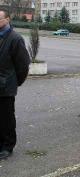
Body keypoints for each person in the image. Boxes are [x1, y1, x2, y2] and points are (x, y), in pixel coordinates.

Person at [0, 10, 30, 160]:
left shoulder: (15, 39)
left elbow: (23, 65)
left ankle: (8, 146)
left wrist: (14, 82)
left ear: (7, 19)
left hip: (6, 87)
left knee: (6, 118)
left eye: (0, 19)